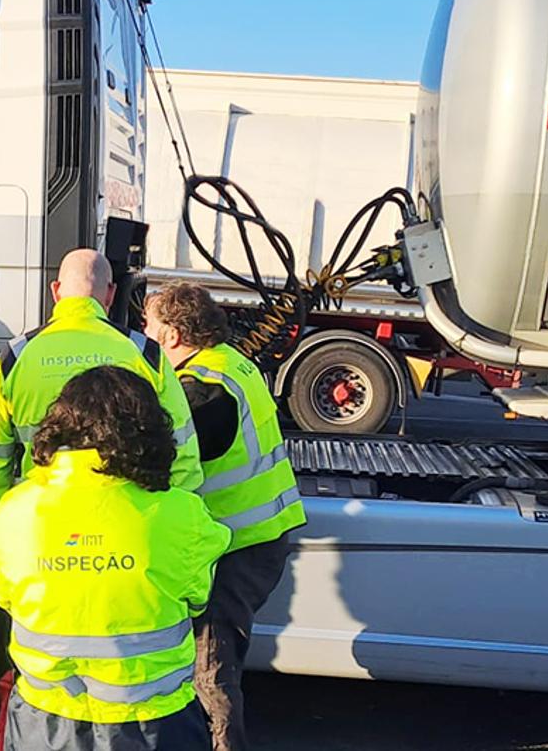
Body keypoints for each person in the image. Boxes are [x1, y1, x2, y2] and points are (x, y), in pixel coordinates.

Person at [0, 366, 230, 750]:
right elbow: (198, 597)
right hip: (151, 721)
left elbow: (8, 599)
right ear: (149, 432)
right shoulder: (183, 514)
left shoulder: (14, 509)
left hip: (45, 717)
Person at [143, 283, 305, 751]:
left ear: (172, 335)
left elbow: (167, 463)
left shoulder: (201, 389)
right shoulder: (231, 363)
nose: (145, 332)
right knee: (217, 663)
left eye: (150, 324)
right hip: (260, 535)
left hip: (235, 547)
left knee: (210, 671)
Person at [0, 248, 204, 537]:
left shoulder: (16, 357)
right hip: (126, 526)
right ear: (110, 294)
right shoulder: (145, 353)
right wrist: (174, 524)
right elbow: (182, 447)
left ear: (55, 291)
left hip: (42, 527)